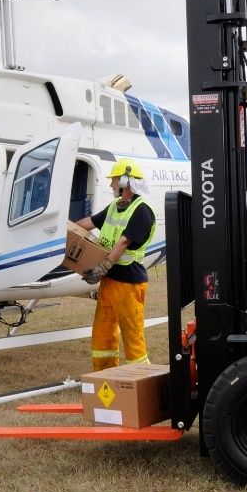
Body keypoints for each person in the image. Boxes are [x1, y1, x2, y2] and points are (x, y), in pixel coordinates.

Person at [75, 158, 157, 370]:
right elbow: (91, 222)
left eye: (114, 180)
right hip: (109, 283)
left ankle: (141, 380)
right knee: (103, 335)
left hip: (129, 285)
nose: (111, 184)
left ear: (125, 182)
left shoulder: (142, 210)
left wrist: (102, 267)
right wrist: (66, 230)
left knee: (133, 339)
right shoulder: (114, 207)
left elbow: (124, 242)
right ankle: (105, 377)